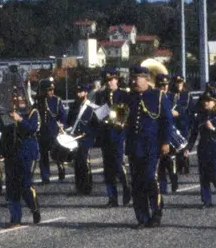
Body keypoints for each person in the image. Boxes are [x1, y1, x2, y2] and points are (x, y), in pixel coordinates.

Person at [115, 64, 174, 228]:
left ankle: (156, 212)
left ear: (147, 79)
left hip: (152, 146)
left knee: (150, 178)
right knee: (137, 183)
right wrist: (118, 123)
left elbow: (166, 121)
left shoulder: (158, 96)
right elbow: (120, 120)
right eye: (133, 78)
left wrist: (165, 142)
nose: (134, 81)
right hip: (134, 146)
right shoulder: (127, 97)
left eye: (138, 78)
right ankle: (142, 217)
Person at [0, 90, 42, 226]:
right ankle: (15, 218)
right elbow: (4, 135)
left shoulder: (32, 113)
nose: (17, 100)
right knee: (11, 187)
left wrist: (20, 119)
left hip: (27, 152)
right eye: (14, 98)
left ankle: (34, 207)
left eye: (20, 97)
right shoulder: (6, 115)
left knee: (25, 185)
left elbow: (32, 129)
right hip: (11, 153)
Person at [93, 68, 131, 207]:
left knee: (118, 164)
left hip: (118, 132)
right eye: (107, 80)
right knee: (107, 167)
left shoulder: (123, 94)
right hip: (105, 133)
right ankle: (112, 197)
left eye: (112, 80)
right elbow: (98, 111)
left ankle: (126, 188)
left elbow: (128, 112)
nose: (109, 83)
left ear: (116, 80)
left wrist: (123, 122)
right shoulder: (101, 95)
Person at [186, 91, 216, 207]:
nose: (206, 103)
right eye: (204, 100)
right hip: (203, 148)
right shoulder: (199, 116)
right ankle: (206, 200)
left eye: (209, 100)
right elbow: (194, 134)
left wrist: (214, 128)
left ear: (214, 102)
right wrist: (188, 149)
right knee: (204, 176)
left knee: (215, 174)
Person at [63, 81, 95, 195]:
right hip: (75, 138)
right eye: (77, 92)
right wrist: (64, 128)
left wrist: (88, 133)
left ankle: (87, 187)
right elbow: (68, 122)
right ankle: (79, 187)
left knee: (85, 162)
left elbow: (96, 125)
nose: (78, 94)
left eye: (81, 92)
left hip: (86, 138)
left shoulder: (91, 107)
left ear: (86, 93)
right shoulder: (74, 106)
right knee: (77, 163)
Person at [36, 79, 68, 184]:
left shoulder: (56, 100)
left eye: (52, 89)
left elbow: (62, 116)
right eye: (49, 90)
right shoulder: (37, 102)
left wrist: (62, 125)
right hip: (42, 133)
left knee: (56, 153)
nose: (51, 92)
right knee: (43, 156)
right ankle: (45, 176)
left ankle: (61, 167)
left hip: (54, 131)